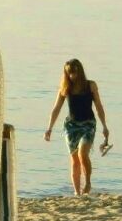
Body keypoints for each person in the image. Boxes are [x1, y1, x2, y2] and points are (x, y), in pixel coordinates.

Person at [43, 58, 109, 195]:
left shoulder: (90, 86)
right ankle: (77, 193)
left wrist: (104, 126)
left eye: (74, 72)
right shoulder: (65, 88)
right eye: (69, 73)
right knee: (74, 160)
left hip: (88, 124)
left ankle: (88, 182)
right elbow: (56, 109)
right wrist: (49, 128)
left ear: (80, 71)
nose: (72, 76)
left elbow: (99, 106)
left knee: (82, 153)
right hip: (71, 126)